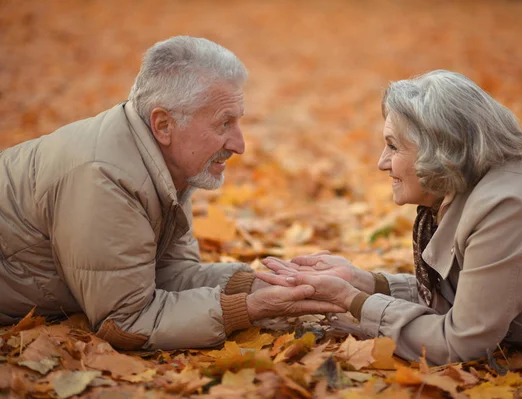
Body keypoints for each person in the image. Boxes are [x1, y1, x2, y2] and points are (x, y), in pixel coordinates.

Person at [0, 36, 343, 351]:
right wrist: (250, 309)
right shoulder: (103, 176)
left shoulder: (166, 163)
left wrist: (258, 284)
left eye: (238, 122)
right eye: (224, 124)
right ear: (163, 124)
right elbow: (126, 323)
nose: (239, 145)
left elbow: (168, 275)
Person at [259, 70, 522, 365]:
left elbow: (461, 341)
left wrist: (350, 301)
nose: (381, 163)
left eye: (393, 146)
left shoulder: (506, 207)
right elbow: (461, 296)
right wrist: (365, 283)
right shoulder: (474, 189)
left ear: (442, 150)